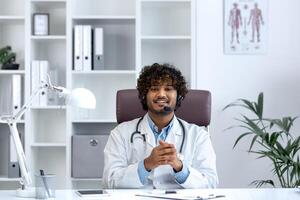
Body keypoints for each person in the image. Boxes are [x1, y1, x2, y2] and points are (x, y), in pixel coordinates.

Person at [102, 63, 218, 189]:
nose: (161, 94)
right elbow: (109, 181)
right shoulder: (120, 133)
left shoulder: (199, 136)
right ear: (144, 95)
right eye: (154, 88)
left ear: (178, 95)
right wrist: (146, 164)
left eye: (168, 89)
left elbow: (211, 184)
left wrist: (179, 167)